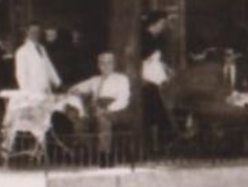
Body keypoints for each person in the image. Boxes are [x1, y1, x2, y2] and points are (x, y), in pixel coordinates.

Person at [69, 51, 134, 158]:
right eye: (102, 63)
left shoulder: (121, 79)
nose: (105, 66)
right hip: (96, 108)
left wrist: (107, 109)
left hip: (116, 110)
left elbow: (123, 99)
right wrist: (75, 91)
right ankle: (90, 153)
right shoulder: (94, 80)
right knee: (80, 121)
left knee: (103, 118)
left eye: (109, 63)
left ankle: (105, 155)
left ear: (113, 64)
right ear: (98, 65)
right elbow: (77, 88)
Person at [139, 10, 173, 150]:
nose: (163, 26)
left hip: (157, 74)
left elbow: (158, 59)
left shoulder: (158, 39)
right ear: (154, 23)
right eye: (162, 23)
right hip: (146, 75)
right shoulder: (143, 38)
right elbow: (143, 59)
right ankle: (158, 139)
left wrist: (166, 68)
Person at [13, 25, 61, 96]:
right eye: (32, 32)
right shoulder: (21, 51)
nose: (35, 34)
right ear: (27, 33)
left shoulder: (42, 48)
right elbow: (21, 74)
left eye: (37, 32)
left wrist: (57, 82)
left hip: (46, 88)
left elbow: (49, 66)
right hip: (33, 91)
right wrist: (26, 94)